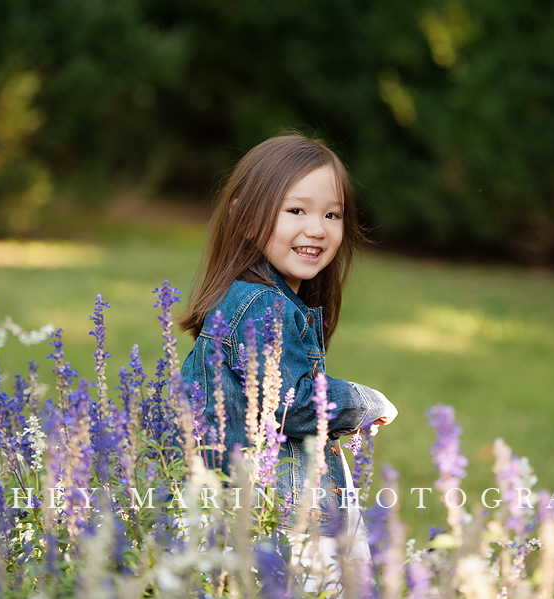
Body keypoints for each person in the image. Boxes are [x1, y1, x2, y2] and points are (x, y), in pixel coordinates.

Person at [178, 133, 398, 582]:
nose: (317, 228)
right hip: (280, 522)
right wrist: (367, 401)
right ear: (245, 219)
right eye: (296, 210)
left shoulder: (253, 300)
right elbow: (293, 403)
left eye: (332, 214)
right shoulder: (261, 305)